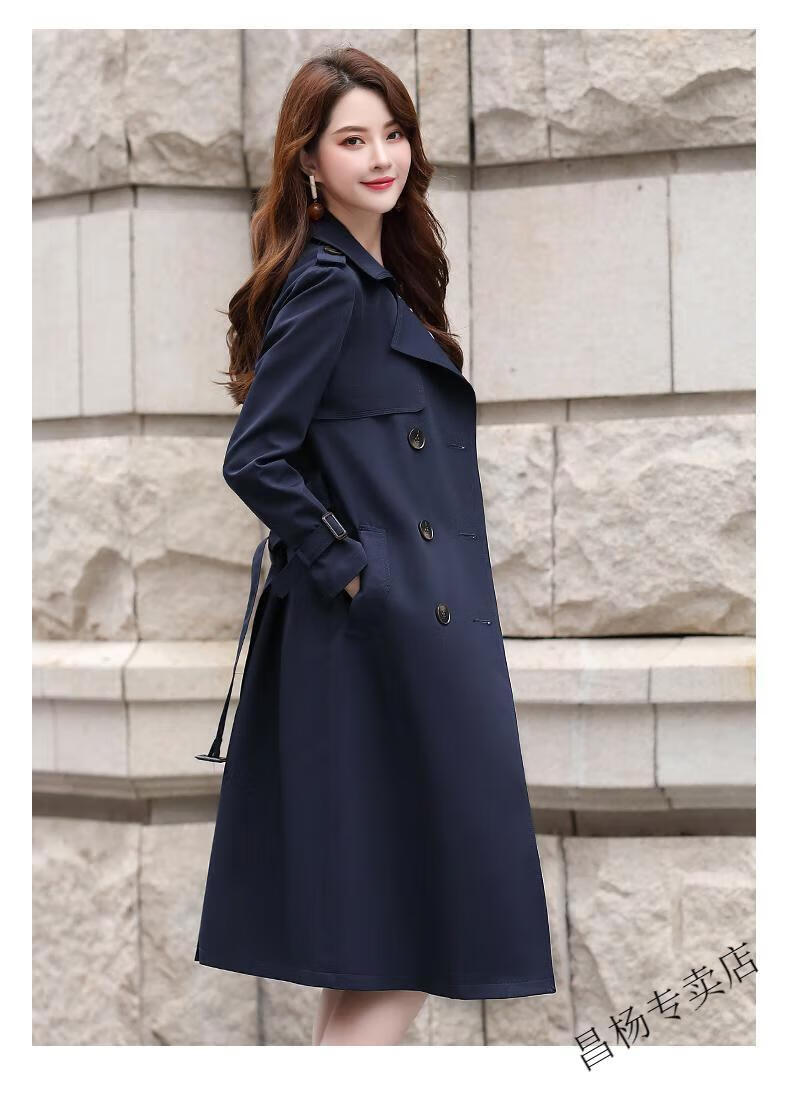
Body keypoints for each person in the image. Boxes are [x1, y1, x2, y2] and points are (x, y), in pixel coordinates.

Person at [193, 45, 556, 1046]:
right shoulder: (330, 286)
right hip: (378, 646)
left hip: (401, 641)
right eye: (352, 140)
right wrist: (359, 574)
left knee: (373, 954)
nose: (381, 156)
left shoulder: (380, 281)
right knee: (410, 945)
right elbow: (255, 457)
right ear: (309, 161)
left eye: (391, 133)